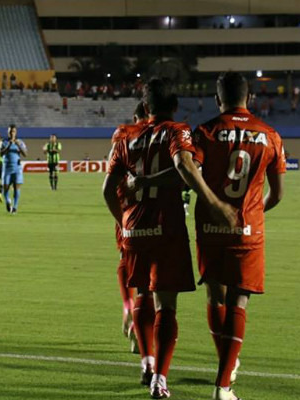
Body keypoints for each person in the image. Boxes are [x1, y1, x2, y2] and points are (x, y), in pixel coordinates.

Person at [105, 78, 236, 399]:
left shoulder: (124, 135)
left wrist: (123, 222)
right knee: (167, 306)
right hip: (167, 229)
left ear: (145, 107)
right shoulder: (178, 131)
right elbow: (184, 167)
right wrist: (214, 202)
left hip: (134, 228)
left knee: (141, 297)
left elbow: (108, 190)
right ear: (175, 106)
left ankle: (146, 362)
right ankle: (160, 378)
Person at [191, 72, 285, 400]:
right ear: (251, 99)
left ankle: (226, 367)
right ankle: (223, 386)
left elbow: (189, 172)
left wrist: (215, 206)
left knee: (215, 297)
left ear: (218, 100)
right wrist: (254, 214)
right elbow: (277, 195)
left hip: (209, 228)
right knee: (238, 302)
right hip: (248, 229)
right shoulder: (270, 135)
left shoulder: (205, 131)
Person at [108, 102, 153, 361]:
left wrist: (121, 215)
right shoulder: (165, 132)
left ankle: (128, 306)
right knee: (154, 278)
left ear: (136, 116)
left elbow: (111, 173)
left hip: (127, 206)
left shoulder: (123, 133)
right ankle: (145, 330)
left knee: (126, 259)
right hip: (157, 208)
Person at [0, 124, 27, 214]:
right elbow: (0, 153)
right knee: (6, 188)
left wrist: (18, 145)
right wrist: (8, 146)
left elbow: (25, 154)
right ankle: (8, 201)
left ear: (16, 132)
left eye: (13, 131)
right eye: (10, 131)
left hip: (17, 168)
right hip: (7, 168)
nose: (12, 133)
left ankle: (15, 207)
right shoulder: (4, 142)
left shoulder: (20, 142)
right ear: (8, 133)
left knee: (16, 187)